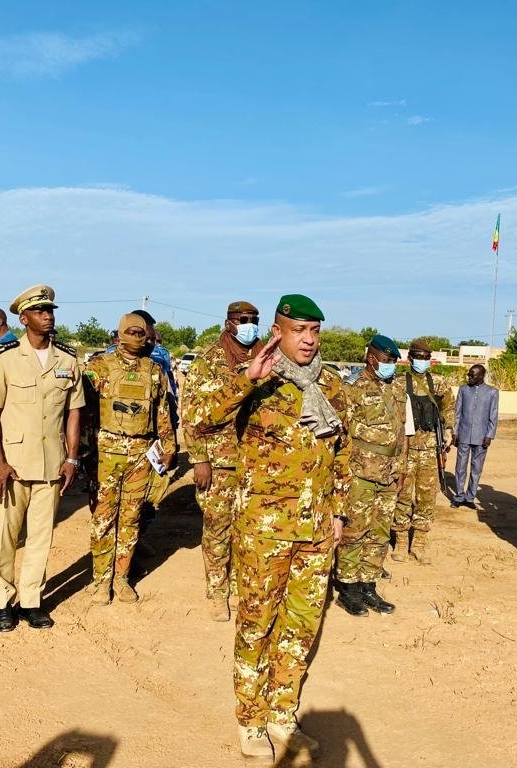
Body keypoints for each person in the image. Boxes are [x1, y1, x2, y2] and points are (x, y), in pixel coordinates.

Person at [200, 294, 350, 761]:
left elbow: (342, 450)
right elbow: (200, 422)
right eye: (299, 330)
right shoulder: (255, 378)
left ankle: (283, 717)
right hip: (264, 529)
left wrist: (340, 511)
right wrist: (247, 380)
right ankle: (250, 720)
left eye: (315, 332)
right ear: (278, 333)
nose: (308, 340)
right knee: (257, 624)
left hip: (317, 529)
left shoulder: (329, 385)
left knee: (302, 626)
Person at [0, 285, 83, 632]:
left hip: (51, 464)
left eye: (50, 310)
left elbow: (73, 414)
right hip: (13, 466)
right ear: (24, 318)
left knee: (41, 537)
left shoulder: (67, 361)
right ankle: (3, 602)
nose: (48, 316)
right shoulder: (5, 357)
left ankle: (32, 600)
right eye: (40, 311)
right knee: (6, 535)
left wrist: (72, 459)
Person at [83, 312, 176, 605]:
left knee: (131, 518)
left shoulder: (153, 370)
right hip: (106, 453)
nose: (138, 337)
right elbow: (84, 411)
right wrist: (82, 454)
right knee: (103, 519)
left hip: (140, 453)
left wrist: (169, 447)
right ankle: (100, 581)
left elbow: (162, 412)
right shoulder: (99, 367)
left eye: (142, 333)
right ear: (121, 333)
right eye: (132, 332)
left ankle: (121, 579)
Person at [181, 300, 263, 622]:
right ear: (229, 322)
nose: (250, 324)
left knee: (250, 528)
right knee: (218, 528)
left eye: (255, 319)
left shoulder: (265, 358)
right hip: (219, 459)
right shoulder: (208, 362)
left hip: (258, 460)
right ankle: (217, 591)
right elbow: (192, 415)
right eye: (244, 319)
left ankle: (243, 586)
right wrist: (199, 459)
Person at [335, 334, 406, 617]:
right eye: (388, 361)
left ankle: (368, 584)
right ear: (371, 358)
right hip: (360, 473)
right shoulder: (352, 387)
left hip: (388, 474)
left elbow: (401, 433)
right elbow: (341, 433)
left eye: (394, 362)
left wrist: (401, 469)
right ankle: (348, 589)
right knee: (355, 532)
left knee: (379, 532)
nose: (391, 367)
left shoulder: (396, 389)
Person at [392, 339, 454, 565]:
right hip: (405, 448)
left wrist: (448, 430)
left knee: (427, 496)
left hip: (429, 448)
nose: (421, 361)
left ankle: (419, 543)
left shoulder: (439, 383)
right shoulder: (398, 382)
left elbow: (449, 407)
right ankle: (400, 541)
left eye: (425, 357)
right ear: (409, 358)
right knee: (402, 495)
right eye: (417, 356)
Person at [451, 364, 499, 509]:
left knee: (476, 468)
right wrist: (455, 432)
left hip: (481, 436)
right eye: (469, 374)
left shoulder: (492, 392)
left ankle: (470, 497)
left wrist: (489, 435)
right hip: (463, 435)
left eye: (473, 375)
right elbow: (457, 413)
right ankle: (459, 496)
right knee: (460, 467)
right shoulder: (464, 389)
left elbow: (493, 415)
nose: (469, 377)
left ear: (481, 376)